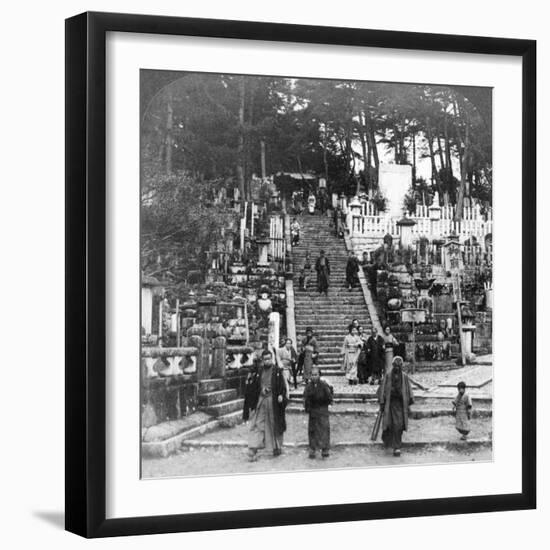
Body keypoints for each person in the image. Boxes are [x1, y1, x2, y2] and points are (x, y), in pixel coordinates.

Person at [244, 349, 289, 462]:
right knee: (257, 423)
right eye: (265, 359)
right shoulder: (259, 371)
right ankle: (253, 449)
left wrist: (281, 395)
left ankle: (276, 447)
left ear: (272, 359)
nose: (267, 361)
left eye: (269, 358)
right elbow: (254, 386)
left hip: (273, 401)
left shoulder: (277, 371)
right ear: (262, 360)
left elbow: (282, 387)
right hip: (261, 400)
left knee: (274, 424)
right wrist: (261, 389)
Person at [377, 356, 414, 457]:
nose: (397, 368)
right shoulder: (388, 376)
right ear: (393, 366)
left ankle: (397, 447)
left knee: (399, 426)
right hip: (390, 404)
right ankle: (387, 440)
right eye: (395, 366)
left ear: (401, 366)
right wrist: (382, 402)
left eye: (399, 366)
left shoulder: (404, 377)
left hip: (401, 405)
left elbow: (409, 391)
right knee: (389, 425)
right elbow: (382, 389)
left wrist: (409, 402)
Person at [304, 367, 333, 459]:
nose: (314, 377)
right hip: (313, 410)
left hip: (322, 410)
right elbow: (306, 398)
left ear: (319, 375)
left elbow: (329, 397)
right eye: (312, 375)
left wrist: (325, 404)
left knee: (324, 429)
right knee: (312, 430)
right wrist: (307, 407)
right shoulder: (308, 387)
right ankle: (312, 449)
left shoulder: (324, 385)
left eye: (316, 375)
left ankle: (325, 449)